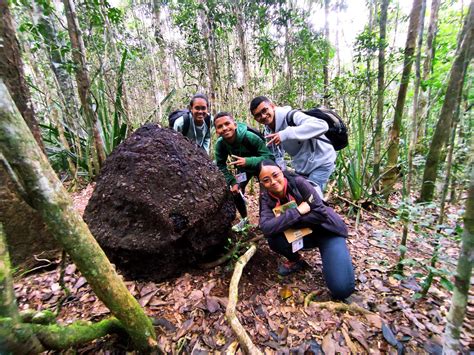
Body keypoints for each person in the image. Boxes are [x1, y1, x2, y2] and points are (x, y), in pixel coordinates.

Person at [258, 159, 354, 300]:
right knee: (274, 239)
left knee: (342, 290)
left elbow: (320, 214)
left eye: (275, 175)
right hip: (304, 234)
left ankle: (336, 256)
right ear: (262, 184)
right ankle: (296, 260)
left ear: (281, 171)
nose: (273, 181)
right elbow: (266, 228)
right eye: (266, 180)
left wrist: (283, 221)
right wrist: (297, 212)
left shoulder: (298, 183)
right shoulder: (266, 198)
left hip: (327, 231)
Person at [250, 96, 336, 196]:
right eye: (258, 115)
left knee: (312, 196)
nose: (263, 116)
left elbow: (322, 125)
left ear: (272, 106)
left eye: (265, 110)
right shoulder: (268, 130)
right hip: (303, 167)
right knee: (299, 194)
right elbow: (276, 154)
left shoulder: (291, 116)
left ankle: (322, 211)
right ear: (255, 119)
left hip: (322, 161)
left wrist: (285, 134)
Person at [214, 112, 274, 231]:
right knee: (235, 191)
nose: (225, 128)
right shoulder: (221, 144)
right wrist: (232, 181)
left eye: (227, 123)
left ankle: (264, 222)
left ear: (235, 125)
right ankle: (245, 219)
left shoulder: (249, 137)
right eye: (220, 126)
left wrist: (248, 161)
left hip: (261, 167)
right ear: (216, 131)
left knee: (264, 194)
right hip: (243, 169)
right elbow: (220, 165)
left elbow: (269, 157)